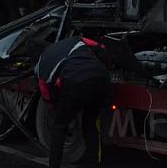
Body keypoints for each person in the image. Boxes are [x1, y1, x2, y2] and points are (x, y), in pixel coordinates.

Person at [36, 35, 111, 167]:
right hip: (102, 77)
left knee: (59, 127)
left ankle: (54, 165)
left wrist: (58, 109)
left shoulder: (42, 63)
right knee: (90, 125)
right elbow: (102, 48)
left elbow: (47, 97)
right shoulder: (75, 40)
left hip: (76, 83)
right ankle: (93, 164)